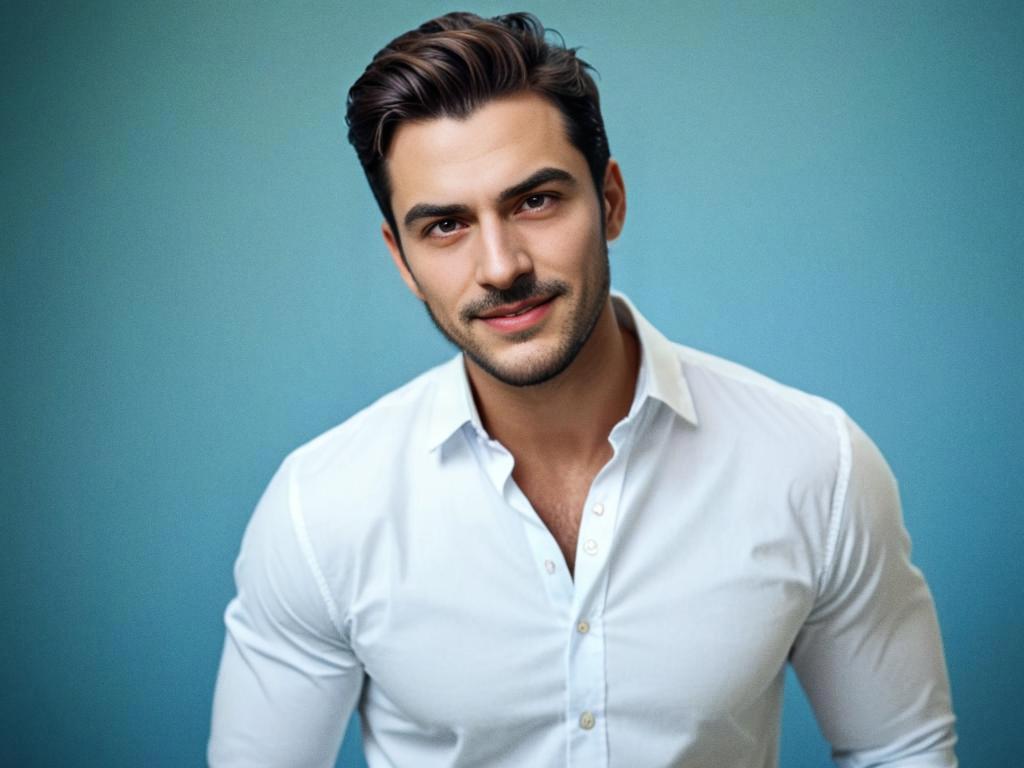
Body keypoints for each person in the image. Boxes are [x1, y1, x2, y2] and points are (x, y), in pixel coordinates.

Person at [208, 11, 957, 767]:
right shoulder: (320, 510)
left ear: (612, 200)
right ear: (401, 260)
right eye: (444, 226)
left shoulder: (814, 466)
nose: (500, 266)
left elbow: (901, 750)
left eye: (535, 201)